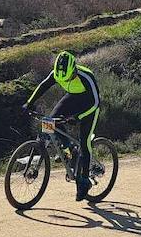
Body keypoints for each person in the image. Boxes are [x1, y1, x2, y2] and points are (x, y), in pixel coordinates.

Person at [25, 51, 101, 201]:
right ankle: (69, 149)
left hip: (89, 106)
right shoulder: (57, 73)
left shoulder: (86, 77)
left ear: (74, 70)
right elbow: (43, 86)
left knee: (85, 142)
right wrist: (29, 103)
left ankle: (84, 181)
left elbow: (96, 102)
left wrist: (77, 117)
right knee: (51, 122)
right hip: (72, 97)